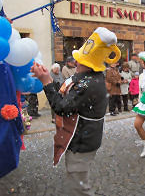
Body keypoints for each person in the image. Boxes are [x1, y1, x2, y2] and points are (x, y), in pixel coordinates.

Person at [30, 27, 120, 196]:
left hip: (81, 141)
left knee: (78, 189)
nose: (76, 62)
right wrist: (45, 77)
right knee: (77, 181)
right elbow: (71, 88)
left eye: (79, 59)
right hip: (85, 138)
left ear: (87, 64)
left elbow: (62, 107)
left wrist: (47, 82)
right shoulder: (91, 77)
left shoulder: (88, 83)